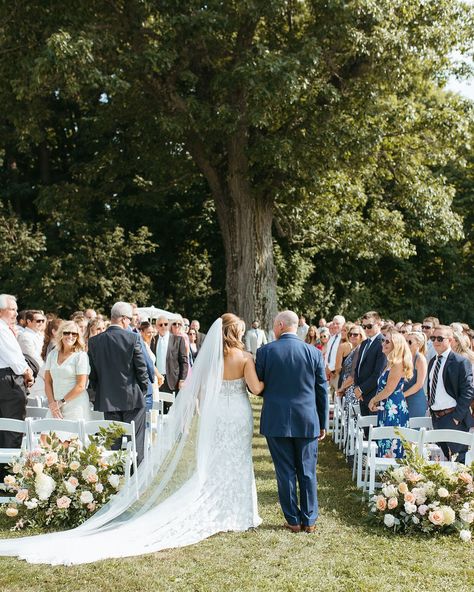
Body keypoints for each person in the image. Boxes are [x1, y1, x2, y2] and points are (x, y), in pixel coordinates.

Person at [0, 314, 264, 564]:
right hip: (236, 413)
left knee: (216, 457)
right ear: (236, 333)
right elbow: (255, 387)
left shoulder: (212, 359)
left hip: (216, 414)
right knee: (238, 457)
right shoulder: (244, 357)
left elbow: (203, 391)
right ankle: (236, 509)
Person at [256, 310, 328, 534]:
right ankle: (310, 520)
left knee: (285, 470)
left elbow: (259, 387)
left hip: (276, 419)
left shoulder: (265, 351)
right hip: (307, 419)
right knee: (307, 470)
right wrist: (323, 422)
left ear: (280, 325)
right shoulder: (313, 353)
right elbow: (322, 391)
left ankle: (293, 520)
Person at [88, 302, 149, 465]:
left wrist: (97, 394)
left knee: (112, 446)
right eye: (129, 319)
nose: (130, 322)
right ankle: (137, 479)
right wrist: (143, 390)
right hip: (132, 398)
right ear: (122, 319)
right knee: (136, 445)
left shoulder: (94, 341)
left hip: (107, 399)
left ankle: (114, 480)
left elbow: (92, 373)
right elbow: (141, 368)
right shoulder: (132, 338)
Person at [426, 325, 474, 463]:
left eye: (440, 338)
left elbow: (468, 391)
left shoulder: (460, 361)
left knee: (459, 461)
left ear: (451, 340)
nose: (436, 341)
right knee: (443, 460)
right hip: (437, 418)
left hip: (453, 418)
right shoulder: (433, 362)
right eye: (433, 338)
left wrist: (457, 417)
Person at [0, 295, 33, 475]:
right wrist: (28, 372)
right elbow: (16, 360)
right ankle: (8, 480)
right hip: (8, 380)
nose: (15, 313)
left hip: (5, 379)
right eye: (12, 309)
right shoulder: (2, 329)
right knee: (12, 430)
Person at [368, 330, 412, 458]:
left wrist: (373, 400)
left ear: (396, 345)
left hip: (393, 408)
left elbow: (389, 389)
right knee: (385, 439)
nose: (383, 343)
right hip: (386, 405)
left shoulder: (397, 364)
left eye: (387, 341)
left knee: (392, 441)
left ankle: (392, 474)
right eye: (383, 340)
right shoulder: (391, 363)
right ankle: (385, 474)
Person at [44, 321, 91, 423]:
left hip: (76, 406)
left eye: (74, 334)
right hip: (55, 405)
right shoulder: (52, 354)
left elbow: (81, 386)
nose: (70, 336)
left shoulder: (81, 356)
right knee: (45, 437)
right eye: (66, 333)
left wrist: (61, 403)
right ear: (61, 334)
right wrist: (52, 403)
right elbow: (47, 381)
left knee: (71, 438)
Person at [353, 311, 387, 417]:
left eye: (369, 326)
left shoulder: (383, 343)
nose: (366, 329)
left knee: (373, 431)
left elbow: (378, 373)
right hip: (362, 395)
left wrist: (361, 389)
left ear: (378, 324)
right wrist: (357, 388)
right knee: (365, 431)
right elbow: (358, 369)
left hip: (374, 394)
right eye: (364, 326)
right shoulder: (364, 343)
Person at [152, 315, 189, 397]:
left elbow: (184, 362)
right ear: (157, 327)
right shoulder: (153, 340)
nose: (163, 326)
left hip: (173, 381)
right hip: (157, 381)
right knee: (158, 408)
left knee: (173, 408)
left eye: (165, 324)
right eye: (160, 325)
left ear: (168, 325)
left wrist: (182, 379)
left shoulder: (178, 340)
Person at [402, 332, 428, 418]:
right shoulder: (405, 358)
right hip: (403, 398)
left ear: (418, 344)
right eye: (405, 341)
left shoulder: (420, 359)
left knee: (413, 429)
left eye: (409, 342)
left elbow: (419, 384)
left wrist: (403, 395)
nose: (406, 344)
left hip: (415, 399)